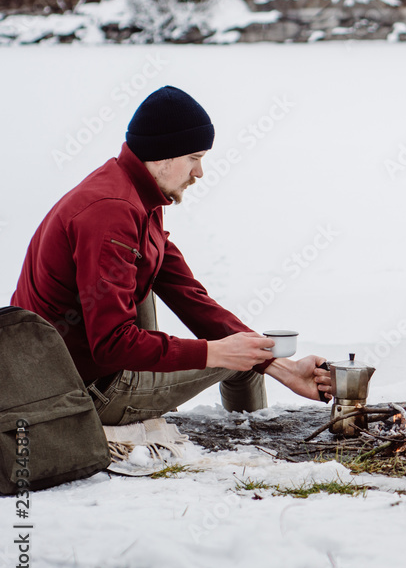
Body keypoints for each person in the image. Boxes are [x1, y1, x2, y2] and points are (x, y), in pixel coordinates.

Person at [11, 85, 332, 425]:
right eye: (195, 158)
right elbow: (111, 344)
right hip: (72, 393)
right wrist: (216, 352)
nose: (200, 173)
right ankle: (254, 445)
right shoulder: (112, 213)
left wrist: (281, 365)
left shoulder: (135, 194)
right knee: (233, 354)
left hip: (78, 371)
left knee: (239, 347)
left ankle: (251, 432)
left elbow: (190, 297)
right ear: (163, 154)